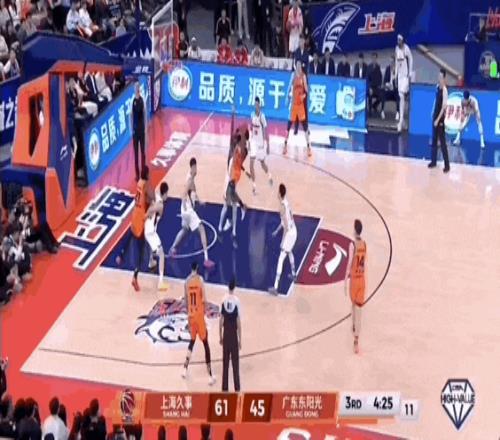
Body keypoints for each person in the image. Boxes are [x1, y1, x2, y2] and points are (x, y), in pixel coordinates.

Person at [168, 158, 215, 269]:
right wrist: (186, 208)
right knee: (202, 229)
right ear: (193, 167)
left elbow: (193, 192)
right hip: (188, 210)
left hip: (185, 210)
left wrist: (199, 201)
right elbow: (183, 194)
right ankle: (206, 259)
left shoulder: (191, 177)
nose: (197, 169)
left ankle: (172, 249)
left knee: (184, 230)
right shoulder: (189, 179)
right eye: (196, 167)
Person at [115, 166, 154, 291]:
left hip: (135, 214)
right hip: (140, 219)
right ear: (147, 175)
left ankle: (121, 255)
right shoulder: (146, 185)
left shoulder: (139, 183)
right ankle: (135, 277)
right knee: (141, 252)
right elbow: (152, 197)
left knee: (129, 235)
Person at [182, 262, 217, 386]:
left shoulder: (186, 282)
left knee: (191, 342)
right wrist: (205, 313)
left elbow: (186, 301)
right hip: (199, 316)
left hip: (191, 316)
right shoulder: (200, 280)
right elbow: (204, 300)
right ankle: (210, 376)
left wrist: (188, 316)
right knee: (206, 344)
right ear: (197, 269)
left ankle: (184, 369)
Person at [218, 109, 248, 243]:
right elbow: (232, 130)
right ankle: (223, 226)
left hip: (233, 180)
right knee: (228, 205)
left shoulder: (239, 152)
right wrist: (232, 115)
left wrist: (243, 169)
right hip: (228, 180)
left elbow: (239, 163)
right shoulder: (233, 149)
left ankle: (231, 228)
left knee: (231, 205)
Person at [269, 184, 297, 295]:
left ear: (280, 194)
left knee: (281, 258)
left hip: (289, 233)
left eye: (278, 192)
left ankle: (275, 287)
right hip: (294, 230)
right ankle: (294, 274)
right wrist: (276, 231)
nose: (277, 193)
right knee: (289, 252)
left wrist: (282, 241)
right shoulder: (286, 202)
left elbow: (285, 226)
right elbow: (285, 221)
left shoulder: (281, 207)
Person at [344, 219, 366, 354]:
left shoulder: (352, 245)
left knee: (353, 306)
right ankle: (356, 339)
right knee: (359, 310)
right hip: (362, 279)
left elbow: (349, 264)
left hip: (354, 280)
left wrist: (344, 280)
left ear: (354, 230)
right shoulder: (364, 244)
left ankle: (354, 329)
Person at [283, 60, 311, 157]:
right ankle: (285, 145)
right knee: (288, 126)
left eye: (300, 65)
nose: (298, 67)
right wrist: (287, 97)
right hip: (293, 105)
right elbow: (289, 87)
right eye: (297, 65)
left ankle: (308, 147)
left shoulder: (303, 76)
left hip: (300, 105)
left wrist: (306, 92)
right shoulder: (293, 75)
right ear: (295, 66)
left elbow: (306, 89)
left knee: (305, 127)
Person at [144, 181, 170, 291]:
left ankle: (151, 262)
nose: (167, 196)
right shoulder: (160, 205)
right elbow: (151, 210)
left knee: (151, 246)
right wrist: (145, 216)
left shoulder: (156, 195)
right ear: (165, 193)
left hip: (148, 228)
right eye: (167, 194)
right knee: (162, 254)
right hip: (150, 232)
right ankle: (161, 282)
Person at [220, 279, 242, 392]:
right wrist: (240, 339)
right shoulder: (237, 301)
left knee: (225, 364)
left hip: (226, 334)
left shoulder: (223, 299)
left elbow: (221, 320)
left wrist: (220, 336)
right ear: (234, 287)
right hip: (233, 335)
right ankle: (237, 390)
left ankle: (224, 390)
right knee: (235, 365)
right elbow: (238, 322)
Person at [249, 97, 272, 195]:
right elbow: (251, 128)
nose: (256, 106)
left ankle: (269, 175)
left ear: (259, 105)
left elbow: (266, 130)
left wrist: (268, 145)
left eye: (257, 105)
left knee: (262, 164)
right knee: (251, 164)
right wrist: (249, 141)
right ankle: (254, 186)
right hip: (254, 142)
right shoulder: (252, 115)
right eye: (255, 105)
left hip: (261, 143)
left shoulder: (262, 117)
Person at [428, 69, 450, 173]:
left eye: (441, 77)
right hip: (435, 116)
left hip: (440, 119)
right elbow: (436, 101)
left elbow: (443, 107)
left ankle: (447, 165)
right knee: (434, 140)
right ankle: (433, 161)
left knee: (442, 142)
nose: (439, 79)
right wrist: (433, 112)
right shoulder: (437, 87)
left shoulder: (445, 90)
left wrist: (437, 119)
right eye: (439, 77)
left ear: (444, 78)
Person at [395, 34, 413, 132]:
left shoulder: (406, 49)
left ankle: (401, 120)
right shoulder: (396, 49)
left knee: (402, 95)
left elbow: (411, 60)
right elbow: (396, 63)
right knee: (400, 96)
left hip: (405, 76)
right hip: (400, 76)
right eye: (397, 40)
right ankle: (402, 120)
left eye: (400, 40)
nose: (398, 41)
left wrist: (409, 74)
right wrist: (395, 75)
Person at [131, 82, 146, 182]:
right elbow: (131, 115)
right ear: (134, 89)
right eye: (135, 87)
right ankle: (137, 175)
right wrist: (131, 129)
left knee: (143, 153)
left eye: (138, 87)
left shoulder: (142, 99)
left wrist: (145, 127)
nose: (137, 89)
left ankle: (143, 173)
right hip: (135, 131)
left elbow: (144, 113)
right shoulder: (132, 101)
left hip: (141, 130)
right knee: (136, 154)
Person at [381, 55, 399, 120]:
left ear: (395, 62)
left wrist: (394, 82)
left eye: (392, 62)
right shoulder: (387, 69)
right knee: (383, 94)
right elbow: (385, 80)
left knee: (398, 95)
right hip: (388, 89)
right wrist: (387, 85)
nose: (391, 63)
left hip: (395, 89)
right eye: (390, 62)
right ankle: (382, 111)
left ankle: (398, 112)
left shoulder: (397, 70)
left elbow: (399, 81)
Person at [367, 52, 383, 116]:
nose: (374, 59)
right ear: (371, 58)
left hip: (376, 87)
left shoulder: (378, 67)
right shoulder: (369, 67)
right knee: (370, 95)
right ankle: (370, 110)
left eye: (375, 58)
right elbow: (367, 79)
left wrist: (380, 85)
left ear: (376, 59)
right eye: (373, 58)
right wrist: (369, 87)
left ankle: (374, 105)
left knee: (382, 95)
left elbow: (380, 77)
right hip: (370, 87)